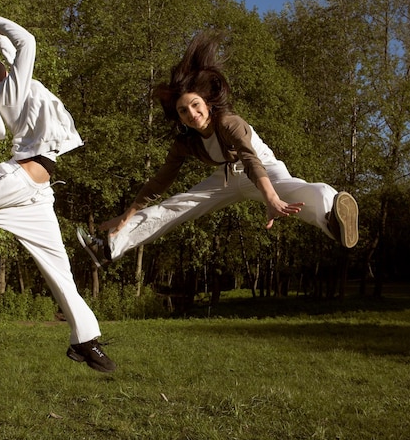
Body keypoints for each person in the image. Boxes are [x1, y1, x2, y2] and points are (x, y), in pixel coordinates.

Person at [0, 11, 115, 373]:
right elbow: (27, 42)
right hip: (18, 181)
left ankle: (85, 341)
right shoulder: (8, 95)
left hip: (38, 194)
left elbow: (12, 55)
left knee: (59, 268)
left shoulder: (12, 82)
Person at [77, 30, 358, 268]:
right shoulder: (185, 142)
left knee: (307, 191)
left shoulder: (229, 123)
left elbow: (250, 159)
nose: (192, 114)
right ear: (179, 117)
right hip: (225, 179)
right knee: (174, 207)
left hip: (263, 170)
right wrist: (126, 215)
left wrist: (270, 198)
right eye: (183, 111)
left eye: (195, 106)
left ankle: (333, 216)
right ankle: (109, 247)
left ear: (207, 104)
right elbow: (160, 182)